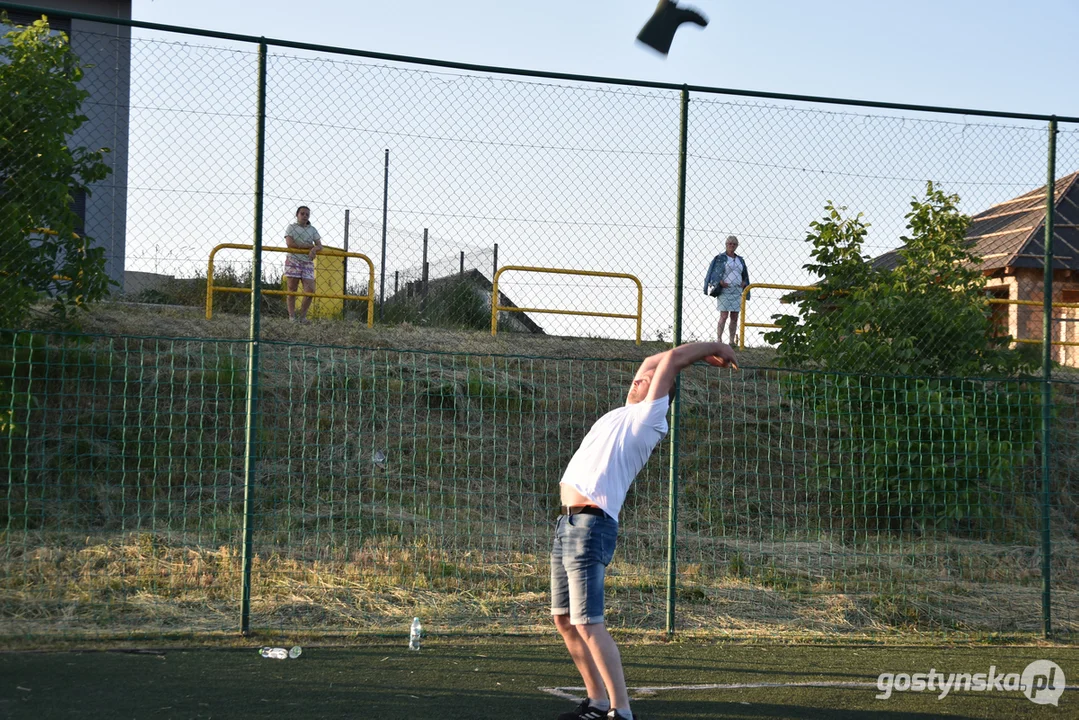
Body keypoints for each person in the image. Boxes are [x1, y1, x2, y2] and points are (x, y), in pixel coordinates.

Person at [551, 341, 737, 720]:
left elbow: (667, 362)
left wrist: (714, 348)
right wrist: (685, 358)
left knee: (588, 622)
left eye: (645, 381)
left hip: (590, 525)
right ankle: (597, 701)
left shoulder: (648, 420)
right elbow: (656, 360)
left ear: (659, 393)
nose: (637, 380)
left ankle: (622, 710)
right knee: (564, 620)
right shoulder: (623, 412)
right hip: (566, 524)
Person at [704, 235, 751, 345]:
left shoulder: (740, 260)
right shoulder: (720, 258)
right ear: (726, 245)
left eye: (734, 244)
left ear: (737, 246)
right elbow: (713, 272)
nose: (731, 245)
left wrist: (744, 282)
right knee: (724, 315)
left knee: (734, 316)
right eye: (729, 243)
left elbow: (745, 274)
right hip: (725, 289)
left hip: (737, 290)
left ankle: (731, 341)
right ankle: (719, 339)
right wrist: (719, 282)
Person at [283, 205, 323, 323]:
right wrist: (309, 246)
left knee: (310, 291)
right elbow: (290, 243)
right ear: (297, 215)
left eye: (307, 214)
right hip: (293, 260)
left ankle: (302, 317)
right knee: (292, 289)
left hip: (307, 262)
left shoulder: (312, 229)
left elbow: (319, 245)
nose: (305, 216)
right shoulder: (291, 228)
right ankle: (292, 317)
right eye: (302, 213)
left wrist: (314, 249)